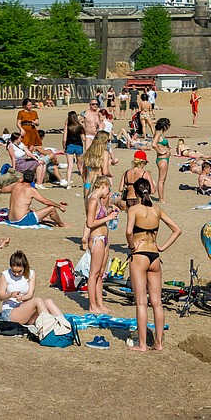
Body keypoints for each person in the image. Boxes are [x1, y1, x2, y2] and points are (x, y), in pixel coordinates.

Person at [127, 177, 182, 351]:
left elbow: (129, 231)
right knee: (157, 303)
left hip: (140, 254)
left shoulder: (134, 209)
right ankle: (158, 343)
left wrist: (131, 246)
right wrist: (163, 246)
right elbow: (177, 229)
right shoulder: (157, 209)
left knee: (141, 302)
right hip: (155, 256)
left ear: (135, 192)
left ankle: (142, 344)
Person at [85, 176, 119, 314]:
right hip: (97, 238)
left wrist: (110, 211)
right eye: (108, 189)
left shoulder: (98, 201)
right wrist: (108, 218)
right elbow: (90, 223)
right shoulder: (92, 200)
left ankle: (100, 303)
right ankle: (92, 305)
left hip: (104, 238)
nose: (108, 192)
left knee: (100, 274)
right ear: (103, 186)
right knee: (93, 273)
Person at [0, 170, 69, 227]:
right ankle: (61, 224)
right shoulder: (31, 190)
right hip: (22, 220)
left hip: (11, 219)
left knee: (33, 209)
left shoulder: (15, 185)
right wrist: (59, 206)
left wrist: (17, 182)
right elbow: (46, 202)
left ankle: (48, 220)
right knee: (51, 209)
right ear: (33, 180)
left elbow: (2, 190)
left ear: (23, 178)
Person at [62, 110, 84, 189]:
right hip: (79, 146)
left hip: (70, 146)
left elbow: (64, 138)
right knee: (80, 166)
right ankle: (85, 182)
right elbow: (83, 138)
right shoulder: (79, 126)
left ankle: (68, 184)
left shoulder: (67, 126)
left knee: (70, 166)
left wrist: (64, 147)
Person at [151, 117, 171, 203]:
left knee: (163, 179)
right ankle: (161, 199)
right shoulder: (158, 133)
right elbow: (153, 144)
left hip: (165, 158)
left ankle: (162, 197)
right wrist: (161, 151)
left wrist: (167, 149)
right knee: (161, 179)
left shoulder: (161, 133)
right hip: (162, 159)